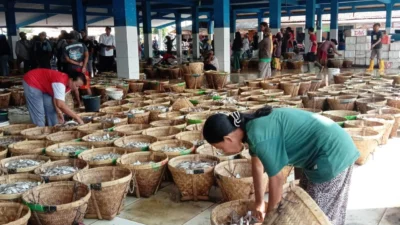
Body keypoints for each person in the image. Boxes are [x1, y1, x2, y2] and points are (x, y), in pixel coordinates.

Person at [202, 107, 359, 225]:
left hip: (333, 154)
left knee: (321, 215)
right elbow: (257, 167)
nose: (223, 152)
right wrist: (258, 203)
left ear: (228, 138)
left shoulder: (258, 135)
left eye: (220, 148)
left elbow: (277, 178)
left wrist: (271, 219)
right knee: (304, 203)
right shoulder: (249, 128)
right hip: (316, 156)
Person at [64, 31, 91, 106]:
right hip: (83, 69)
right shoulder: (82, 45)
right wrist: (84, 66)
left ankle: (79, 103)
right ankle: (91, 102)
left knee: (75, 87)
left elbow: (67, 60)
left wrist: (77, 63)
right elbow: (87, 56)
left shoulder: (66, 47)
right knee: (87, 86)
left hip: (72, 69)